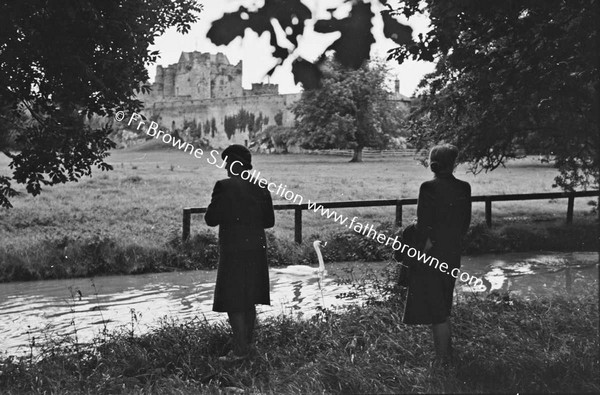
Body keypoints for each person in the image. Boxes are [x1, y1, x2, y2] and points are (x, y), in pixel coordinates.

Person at [402, 143, 471, 366]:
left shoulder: (427, 188)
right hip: (452, 252)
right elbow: (464, 224)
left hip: (431, 253)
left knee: (436, 309)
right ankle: (446, 355)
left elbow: (424, 226)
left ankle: (443, 360)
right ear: (454, 163)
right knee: (444, 303)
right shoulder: (464, 188)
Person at [205, 144, 275, 361]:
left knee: (234, 299)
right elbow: (269, 222)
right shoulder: (261, 186)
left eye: (227, 163)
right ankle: (248, 346)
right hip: (256, 250)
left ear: (233, 165)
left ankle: (239, 351)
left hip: (233, 250)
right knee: (250, 298)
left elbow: (210, 219)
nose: (225, 168)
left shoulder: (224, 187)